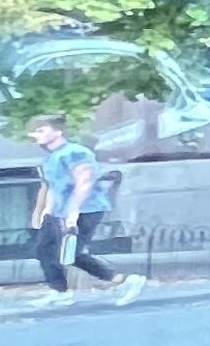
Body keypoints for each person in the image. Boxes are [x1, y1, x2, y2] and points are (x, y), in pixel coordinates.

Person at [23, 115, 138, 305]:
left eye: (41, 130)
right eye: (35, 131)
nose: (36, 135)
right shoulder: (50, 159)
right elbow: (53, 187)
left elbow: (83, 183)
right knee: (43, 249)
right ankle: (60, 292)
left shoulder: (76, 153)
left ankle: (122, 281)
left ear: (58, 132)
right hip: (58, 212)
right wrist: (46, 211)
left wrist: (73, 213)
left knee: (72, 253)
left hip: (87, 209)